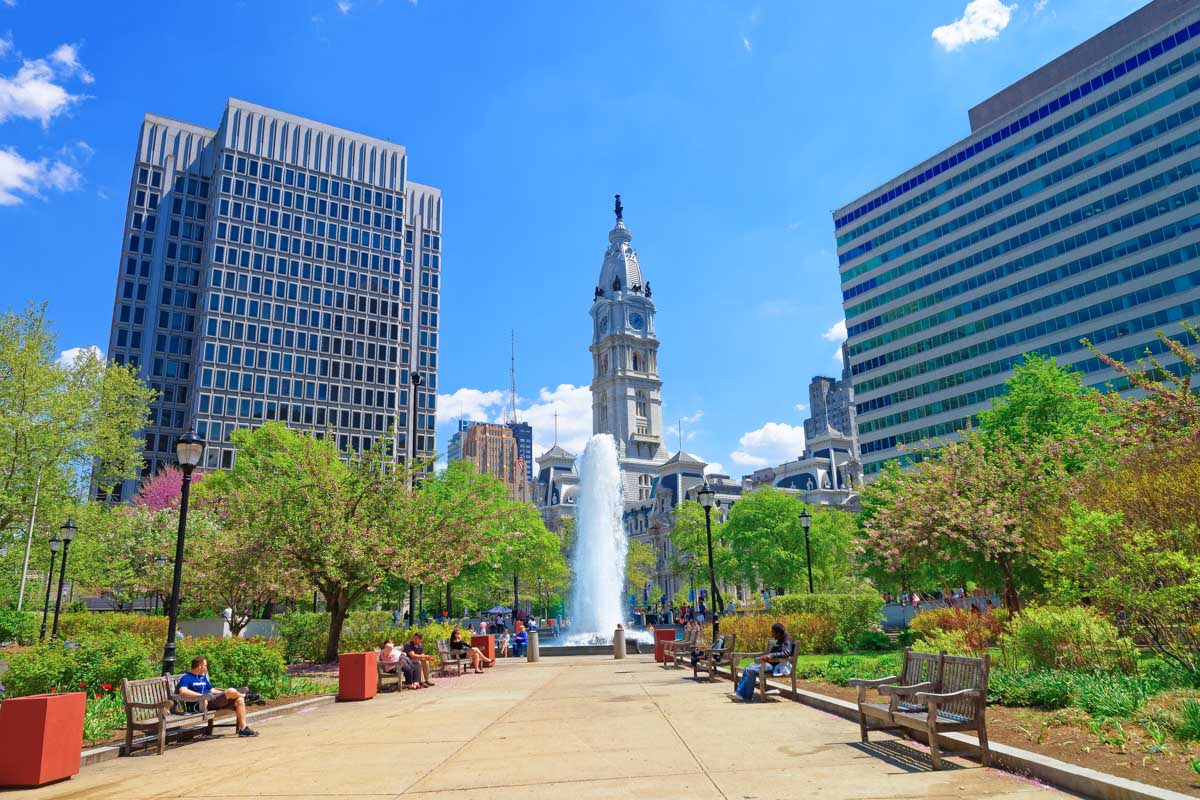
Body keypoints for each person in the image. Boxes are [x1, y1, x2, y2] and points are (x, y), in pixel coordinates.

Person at [177, 656, 261, 737]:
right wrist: (202, 696)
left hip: (213, 700)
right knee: (232, 691)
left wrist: (226, 693)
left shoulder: (202, 678)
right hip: (202, 704)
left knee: (239, 700)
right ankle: (246, 696)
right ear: (200, 666)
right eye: (205, 665)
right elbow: (183, 691)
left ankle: (243, 729)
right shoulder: (186, 677)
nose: (206, 667)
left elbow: (212, 690)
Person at [733, 623, 795, 703]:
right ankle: (740, 694)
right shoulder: (782, 638)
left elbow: (786, 653)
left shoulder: (787, 639)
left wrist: (771, 655)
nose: (773, 635)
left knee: (751, 670)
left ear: (778, 632)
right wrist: (767, 656)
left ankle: (747, 697)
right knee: (748, 667)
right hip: (771, 663)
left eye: (773, 633)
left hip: (776, 665)